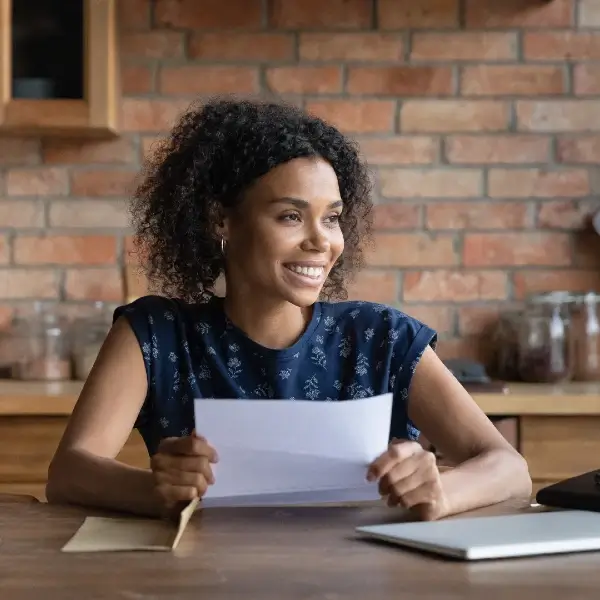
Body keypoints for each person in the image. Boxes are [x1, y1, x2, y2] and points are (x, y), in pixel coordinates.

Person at [46, 98, 532, 520]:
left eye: (333, 218)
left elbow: (509, 468)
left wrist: (441, 491)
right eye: (291, 216)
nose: (322, 240)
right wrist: (155, 489)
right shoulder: (154, 335)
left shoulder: (381, 337)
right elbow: (69, 472)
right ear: (222, 219)